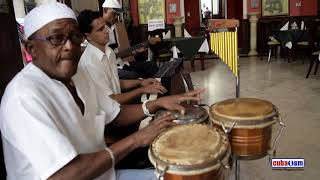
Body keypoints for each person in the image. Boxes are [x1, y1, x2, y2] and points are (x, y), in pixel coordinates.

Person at [0, 2, 203, 180]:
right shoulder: (23, 96)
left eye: (75, 36)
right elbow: (63, 175)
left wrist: (158, 103)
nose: (70, 46)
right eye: (56, 38)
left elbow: (116, 113)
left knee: (185, 175)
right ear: (31, 49)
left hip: (105, 175)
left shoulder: (79, 75)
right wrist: (137, 139)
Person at [77, 10, 166, 105]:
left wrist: (141, 82)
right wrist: (142, 90)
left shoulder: (108, 51)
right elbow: (111, 101)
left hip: (119, 104)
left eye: (105, 26)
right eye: (100, 29)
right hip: (112, 114)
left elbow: (116, 83)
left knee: (164, 91)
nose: (107, 30)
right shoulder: (89, 63)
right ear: (88, 36)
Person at [102, 0, 159, 79]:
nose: (116, 17)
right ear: (105, 10)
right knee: (134, 75)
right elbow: (110, 56)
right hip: (112, 69)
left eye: (117, 14)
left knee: (151, 65)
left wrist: (135, 51)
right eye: (114, 14)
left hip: (121, 64)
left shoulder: (114, 28)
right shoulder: (99, 30)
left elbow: (117, 54)